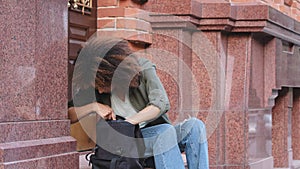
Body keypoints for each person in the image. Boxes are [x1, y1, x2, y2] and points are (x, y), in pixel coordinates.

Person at [68, 37, 209, 169]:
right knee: (164, 132)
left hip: (153, 138)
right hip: (124, 144)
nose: (98, 90)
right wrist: (93, 106)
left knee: (195, 126)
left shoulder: (142, 69)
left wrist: (127, 123)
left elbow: (161, 103)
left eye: (101, 84)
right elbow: (69, 114)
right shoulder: (96, 88)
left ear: (110, 74)